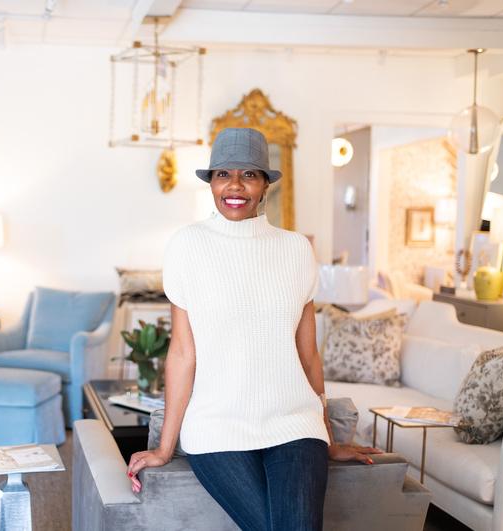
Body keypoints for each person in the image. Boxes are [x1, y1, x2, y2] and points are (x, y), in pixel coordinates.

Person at [126, 128, 381, 531]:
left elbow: (307, 356)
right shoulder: (187, 246)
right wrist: (163, 447)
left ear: (264, 185)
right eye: (223, 174)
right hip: (215, 426)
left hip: (294, 423)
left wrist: (328, 440)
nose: (235, 186)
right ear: (211, 183)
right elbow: (182, 354)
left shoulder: (296, 249)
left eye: (248, 174)